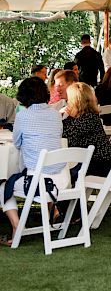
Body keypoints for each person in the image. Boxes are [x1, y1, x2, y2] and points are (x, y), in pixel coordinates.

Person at [0, 77, 64, 246]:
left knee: (3, 184)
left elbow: (18, 143)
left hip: (39, 182)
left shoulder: (23, 116)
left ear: (23, 96)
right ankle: (52, 210)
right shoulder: (56, 115)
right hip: (62, 180)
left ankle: (16, 226)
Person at [63, 83, 111, 177]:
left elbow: (67, 138)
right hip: (102, 161)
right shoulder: (89, 115)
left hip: (100, 165)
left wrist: (62, 117)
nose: (67, 102)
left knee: (63, 172)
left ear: (75, 101)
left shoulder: (86, 119)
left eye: (68, 99)